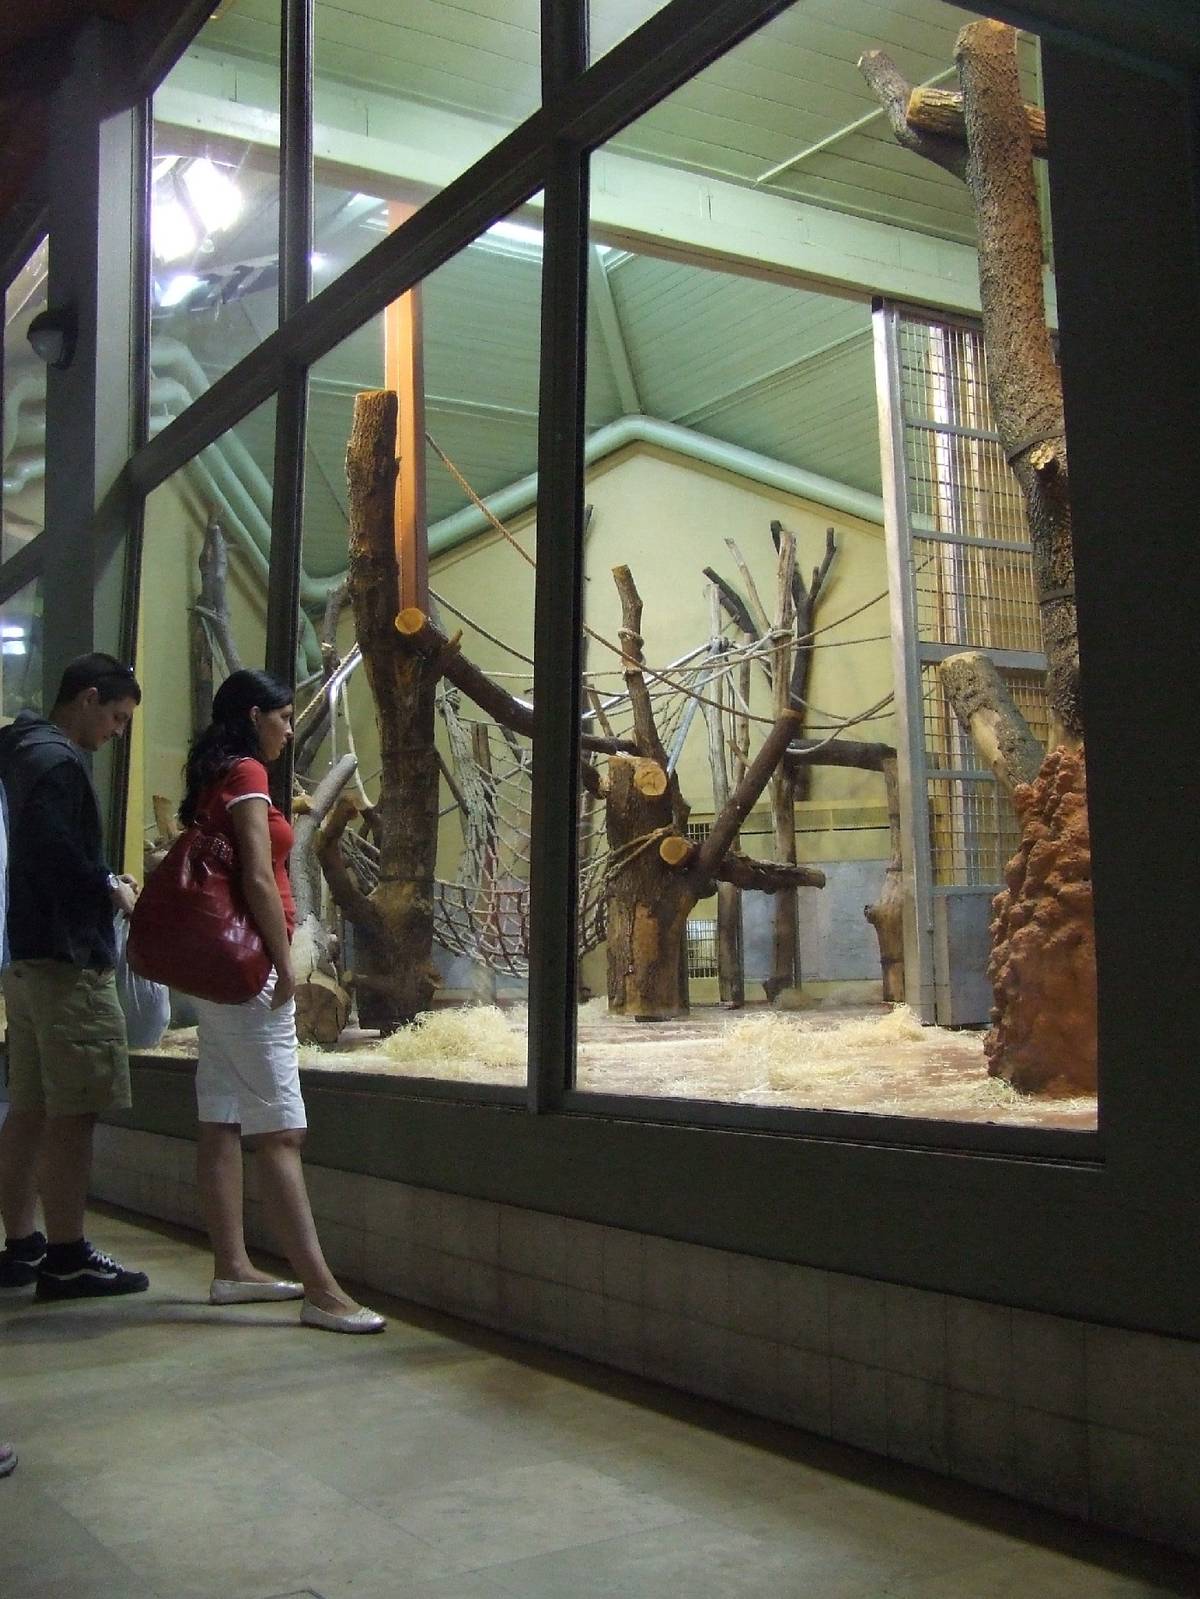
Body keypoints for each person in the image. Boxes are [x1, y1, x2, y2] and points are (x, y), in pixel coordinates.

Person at [181, 669, 383, 1333]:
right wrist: (283, 964)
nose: (290, 730)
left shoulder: (214, 771)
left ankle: (233, 1267)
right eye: (284, 717)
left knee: (221, 1115)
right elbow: (257, 879)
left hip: (214, 972)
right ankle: (323, 1293)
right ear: (252, 715)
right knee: (281, 1129)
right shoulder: (245, 773)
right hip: (247, 967)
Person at [0, 653, 148, 1298]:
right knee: (76, 1109)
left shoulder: (17, 749)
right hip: (64, 959)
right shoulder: (59, 761)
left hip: (23, 955)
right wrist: (108, 886)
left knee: (29, 1106)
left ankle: (21, 1243)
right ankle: (67, 1254)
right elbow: (52, 848)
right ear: (87, 699)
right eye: (116, 717)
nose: (118, 731)